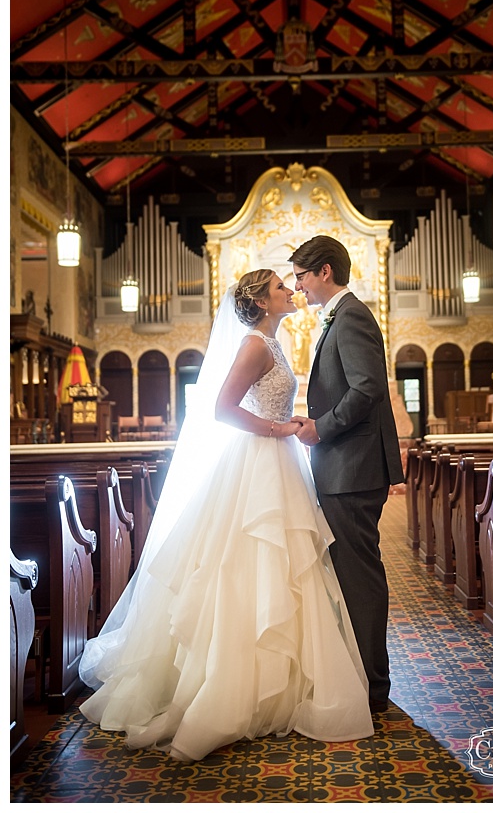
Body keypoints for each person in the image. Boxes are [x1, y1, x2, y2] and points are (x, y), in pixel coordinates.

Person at [79, 270, 372, 760]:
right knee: (245, 566)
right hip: (256, 460)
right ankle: (231, 684)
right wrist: (279, 430)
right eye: (281, 287)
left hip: (277, 461)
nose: (290, 291)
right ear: (260, 300)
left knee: (281, 568)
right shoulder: (256, 345)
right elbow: (222, 408)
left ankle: (277, 682)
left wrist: (286, 428)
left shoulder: (273, 343)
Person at [289, 236, 403, 714]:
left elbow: (369, 388)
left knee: (359, 577)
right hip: (346, 467)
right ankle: (362, 674)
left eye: (301, 276)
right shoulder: (339, 315)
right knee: (354, 574)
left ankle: (373, 687)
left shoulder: (351, 315)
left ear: (325, 271)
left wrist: (321, 428)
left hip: (352, 470)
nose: (298, 287)